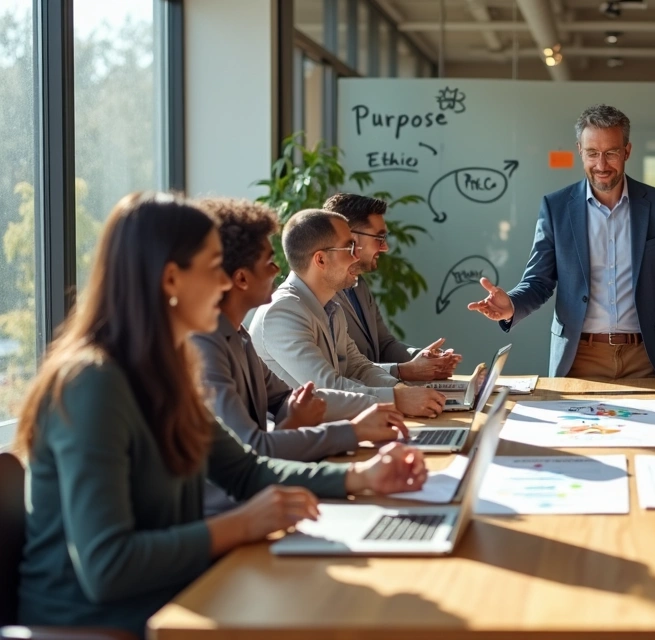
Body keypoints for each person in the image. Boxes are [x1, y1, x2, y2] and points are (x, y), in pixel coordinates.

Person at [14, 193, 430, 637]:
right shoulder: (93, 384)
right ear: (172, 279)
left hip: (176, 597)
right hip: (106, 625)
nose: (227, 282)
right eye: (214, 267)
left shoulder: (169, 369)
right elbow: (107, 566)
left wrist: (361, 478)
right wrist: (242, 525)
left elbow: (245, 470)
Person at [467, 104, 655, 379]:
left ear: (627, 151)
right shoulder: (556, 207)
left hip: (646, 357)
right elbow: (539, 282)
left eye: (611, 153)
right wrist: (511, 305)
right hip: (579, 357)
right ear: (580, 150)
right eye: (592, 153)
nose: (601, 165)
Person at [190, 197, 409, 515]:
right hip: (234, 516)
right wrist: (355, 432)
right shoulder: (206, 345)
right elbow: (254, 449)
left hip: (257, 504)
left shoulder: (238, 335)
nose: (279, 269)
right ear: (240, 278)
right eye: (268, 261)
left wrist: (296, 417)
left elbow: (288, 402)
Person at [249, 209, 447, 418]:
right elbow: (328, 387)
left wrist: (401, 390)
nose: (358, 255)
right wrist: (398, 400)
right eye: (350, 247)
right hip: (296, 444)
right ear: (321, 260)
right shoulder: (282, 312)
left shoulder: (332, 305)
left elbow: (358, 367)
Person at [322, 192, 461, 382]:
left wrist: (423, 358)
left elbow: (384, 344)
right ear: (350, 237)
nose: (385, 247)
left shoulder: (358, 284)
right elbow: (339, 371)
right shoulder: (319, 295)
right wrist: (405, 370)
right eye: (379, 238)